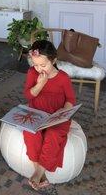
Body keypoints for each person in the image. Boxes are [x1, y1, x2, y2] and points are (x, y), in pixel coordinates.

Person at [23, 39, 76, 190]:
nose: (39, 69)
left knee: (53, 135)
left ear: (54, 60)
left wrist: (63, 111)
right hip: (36, 114)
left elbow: (71, 99)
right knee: (30, 134)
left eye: (43, 65)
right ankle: (41, 174)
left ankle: (37, 173)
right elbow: (28, 95)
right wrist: (40, 84)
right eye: (36, 65)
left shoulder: (63, 78)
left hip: (57, 117)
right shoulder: (33, 73)